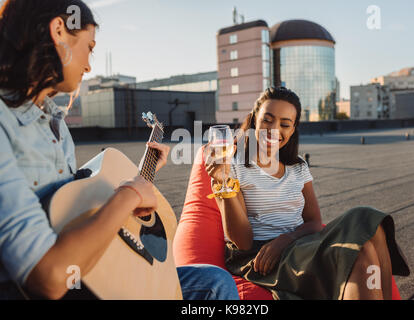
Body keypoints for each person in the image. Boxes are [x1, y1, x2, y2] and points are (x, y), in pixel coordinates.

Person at [0, 0, 238, 300]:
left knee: (214, 282)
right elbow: (48, 278)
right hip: (65, 284)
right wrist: (130, 195)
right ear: (59, 31)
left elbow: (71, 209)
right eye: (89, 47)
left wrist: (143, 176)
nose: (88, 65)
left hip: (91, 269)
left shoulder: (54, 122)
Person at [205, 87, 410, 300]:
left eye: (285, 124)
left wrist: (286, 239)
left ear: (293, 129)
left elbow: (313, 222)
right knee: (360, 244)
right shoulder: (232, 165)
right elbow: (243, 243)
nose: (274, 130)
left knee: (368, 225)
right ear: (255, 119)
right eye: (267, 120)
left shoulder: (298, 166)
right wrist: (224, 184)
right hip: (259, 256)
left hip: (298, 245)